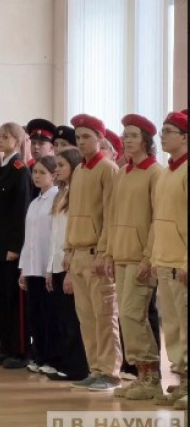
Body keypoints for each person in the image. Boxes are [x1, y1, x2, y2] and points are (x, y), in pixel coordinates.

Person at [103, 114, 164, 399]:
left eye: (133, 136)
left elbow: (157, 219)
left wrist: (148, 257)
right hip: (121, 255)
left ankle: (151, 376)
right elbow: (112, 217)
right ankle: (141, 374)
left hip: (141, 258)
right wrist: (109, 252)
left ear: (146, 141)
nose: (126, 140)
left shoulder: (155, 173)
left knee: (132, 314)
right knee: (126, 317)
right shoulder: (122, 173)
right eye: (124, 135)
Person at [64, 113, 122, 391]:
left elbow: (111, 214)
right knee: (86, 317)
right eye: (78, 137)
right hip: (78, 254)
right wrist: (67, 249)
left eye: (87, 136)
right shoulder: (78, 170)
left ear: (100, 138)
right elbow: (73, 213)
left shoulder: (108, 169)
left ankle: (110, 372)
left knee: (104, 316)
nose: (81, 142)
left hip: (96, 253)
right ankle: (95, 368)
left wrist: (105, 251)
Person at [0, 122, 32, 369]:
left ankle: (19, 350)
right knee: (0, 298)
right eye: (0, 136)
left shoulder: (19, 170)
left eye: (6, 137)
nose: (0, 140)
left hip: (11, 247)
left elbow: (20, 211)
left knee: (13, 302)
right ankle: (6, 346)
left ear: (17, 140)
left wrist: (15, 246)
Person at [151, 111, 188, 408]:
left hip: (181, 261)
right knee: (172, 327)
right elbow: (158, 219)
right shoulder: (166, 173)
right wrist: (155, 256)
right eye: (161, 131)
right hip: (164, 259)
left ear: (185, 137)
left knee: (186, 324)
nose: (162, 136)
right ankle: (181, 379)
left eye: (168, 131)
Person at [43, 147, 89, 381]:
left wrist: (69, 270)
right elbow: (55, 235)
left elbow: (72, 234)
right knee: (62, 318)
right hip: (58, 264)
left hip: (70, 262)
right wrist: (50, 269)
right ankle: (66, 362)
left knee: (73, 318)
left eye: (61, 165)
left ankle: (77, 367)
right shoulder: (62, 193)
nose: (57, 169)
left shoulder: (78, 195)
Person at [18, 156, 59, 372]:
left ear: (53, 175)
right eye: (35, 172)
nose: (37, 176)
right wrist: (24, 269)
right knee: (35, 314)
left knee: (49, 314)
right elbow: (29, 238)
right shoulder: (34, 202)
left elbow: (55, 236)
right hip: (33, 267)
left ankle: (52, 357)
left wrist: (51, 267)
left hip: (47, 267)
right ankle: (39, 356)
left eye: (43, 172)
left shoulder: (57, 199)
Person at [26, 119, 57, 198]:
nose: (36, 146)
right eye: (33, 143)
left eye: (41, 143)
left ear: (51, 147)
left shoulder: (56, 169)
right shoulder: (28, 169)